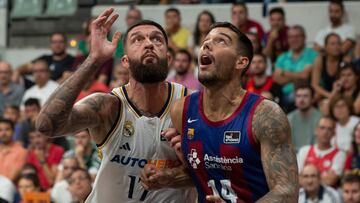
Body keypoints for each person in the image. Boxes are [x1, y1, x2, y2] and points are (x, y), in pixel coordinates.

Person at [35, 8, 195, 202]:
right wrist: (94, 60)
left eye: (157, 39)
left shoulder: (190, 105)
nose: (149, 44)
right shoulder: (108, 106)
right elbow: (46, 125)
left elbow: (218, 171)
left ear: (169, 59)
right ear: (125, 61)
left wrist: (172, 177)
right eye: (138, 39)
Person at [142, 22, 298, 202]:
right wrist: (167, 177)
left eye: (221, 41)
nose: (206, 45)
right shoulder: (181, 109)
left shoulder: (265, 115)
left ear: (241, 62)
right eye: (206, 41)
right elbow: (202, 172)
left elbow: (287, 192)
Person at [273, 25, 317, 108]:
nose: (294, 40)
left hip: (306, 95)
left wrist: (284, 73)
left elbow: (305, 76)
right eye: (291, 37)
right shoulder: (282, 57)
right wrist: (299, 75)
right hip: (284, 96)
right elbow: (277, 79)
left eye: (297, 36)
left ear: (304, 38)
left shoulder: (313, 55)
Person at [297, 116, 346, 187]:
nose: (325, 132)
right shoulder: (304, 150)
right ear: (315, 130)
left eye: (329, 129)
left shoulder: (340, 154)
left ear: (334, 133)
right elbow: (295, 178)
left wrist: (305, 178)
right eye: (322, 128)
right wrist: (323, 178)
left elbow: (330, 180)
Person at [287, 82, 321, 151]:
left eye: (305, 96)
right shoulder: (288, 118)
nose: (301, 100)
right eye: (298, 96)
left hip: (313, 157)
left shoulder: (320, 119)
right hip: (293, 158)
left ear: (312, 99)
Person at [312, 33, 343, 100]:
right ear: (326, 47)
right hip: (326, 94)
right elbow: (315, 84)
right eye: (332, 44)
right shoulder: (320, 60)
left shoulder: (345, 60)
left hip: (341, 94)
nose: (336, 46)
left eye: (338, 43)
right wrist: (329, 95)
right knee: (316, 96)